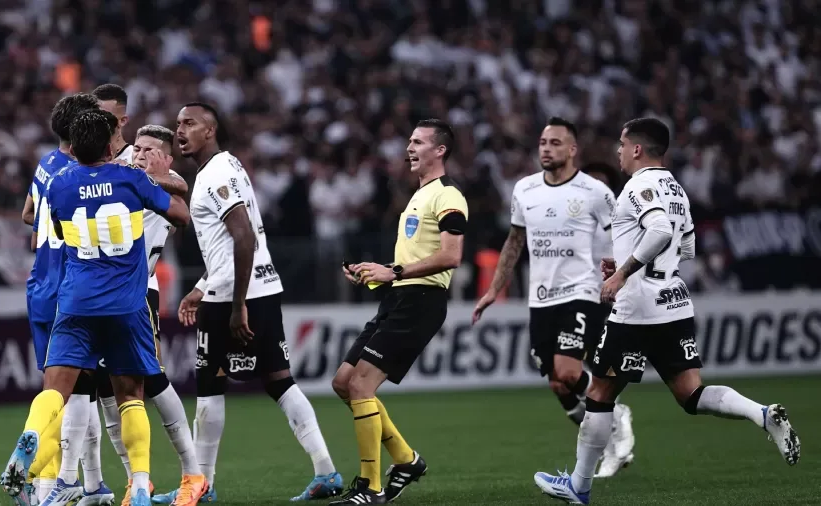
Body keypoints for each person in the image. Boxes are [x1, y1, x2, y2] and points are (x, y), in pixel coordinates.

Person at [533, 118, 801, 505]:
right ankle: (761, 414)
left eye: (622, 145)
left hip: (636, 308)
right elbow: (686, 248)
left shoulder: (637, 186)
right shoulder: (676, 189)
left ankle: (579, 486)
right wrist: (630, 260)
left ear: (638, 149)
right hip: (672, 302)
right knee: (691, 393)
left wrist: (623, 273)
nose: (619, 152)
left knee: (600, 393)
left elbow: (657, 230)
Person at [0, 109, 191, 506]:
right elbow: (180, 215)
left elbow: (44, 228)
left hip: (75, 302)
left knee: (56, 390)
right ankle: (139, 484)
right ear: (109, 146)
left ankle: (32, 447)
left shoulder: (59, 186)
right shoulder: (132, 178)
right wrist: (149, 184)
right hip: (126, 304)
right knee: (131, 394)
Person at [154, 102, 342, 504]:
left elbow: (244, 238)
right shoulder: (229, 166)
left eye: (189, 123)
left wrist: (236, 305)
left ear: (210, 130)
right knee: (279, 382)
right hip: (260, 288)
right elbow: (231, 247)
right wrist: (202, 287)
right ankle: (326, 470)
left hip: (235, 298)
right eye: (177, 124)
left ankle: (201, 485)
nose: (180, 130)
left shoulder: (216, 173)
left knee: (209, 385)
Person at [472, 117, 635, 476]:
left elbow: (621, 237)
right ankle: (608, 444)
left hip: (581, 293)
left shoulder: (595, 192)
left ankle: (616, 412)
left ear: (573, 150)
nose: (547, 148)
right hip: (540, 299)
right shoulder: (525, 190)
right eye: (543, 142)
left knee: (568, 369)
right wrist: (493, 290)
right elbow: (514, 242)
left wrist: (621, 280)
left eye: (556, 143)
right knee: (559, 385)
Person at [330, 119, 468, 505]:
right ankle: (407, 461)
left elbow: (451, 256)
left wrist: (395, 271)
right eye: (409, 140)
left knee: (360, 385)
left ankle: (370, 488)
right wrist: (376, 273)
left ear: (439, 150)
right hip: (399, 298)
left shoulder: (448, 195)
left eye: (418, 142)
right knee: (343, 382)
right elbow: (408, 262)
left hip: (421, 302)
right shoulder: (419, 195)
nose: (409, 147)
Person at [93, 85, 196, 506]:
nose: (140, 154)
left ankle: (193, 474)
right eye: (138, 147)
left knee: (149, 379)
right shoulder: (126, 174)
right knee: (105, 387)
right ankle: (136, 479)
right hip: (103, 295)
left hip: (140, 293)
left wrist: (146, 173)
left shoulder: (168, 183)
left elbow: (182, 195)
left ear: (167, 158)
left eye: (151, 149)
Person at [18, 92, 111, 506]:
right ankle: (51, 486)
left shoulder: (45, 166)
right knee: (73, 394)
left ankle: (86, 484)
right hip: (70, 290)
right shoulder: (84, 175)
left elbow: (28, 216)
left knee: (58, 391)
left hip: (39, 285)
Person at [93, 84, 134, 161]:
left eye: (106, 117)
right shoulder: (81, 160)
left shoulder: (136, 160)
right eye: (94, 115)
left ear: (123, 121)